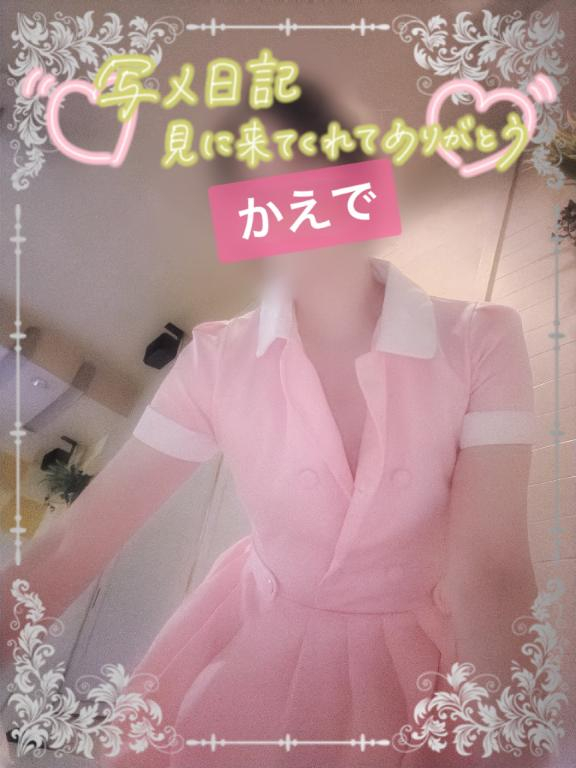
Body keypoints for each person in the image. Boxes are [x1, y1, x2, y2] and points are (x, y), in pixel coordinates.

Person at [1, 90, 537, 768]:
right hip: (249, 641)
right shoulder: (216, 359)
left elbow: (492, 569)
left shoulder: (481, 337)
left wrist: (507, 742)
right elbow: (78, 541)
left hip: (425, 660)